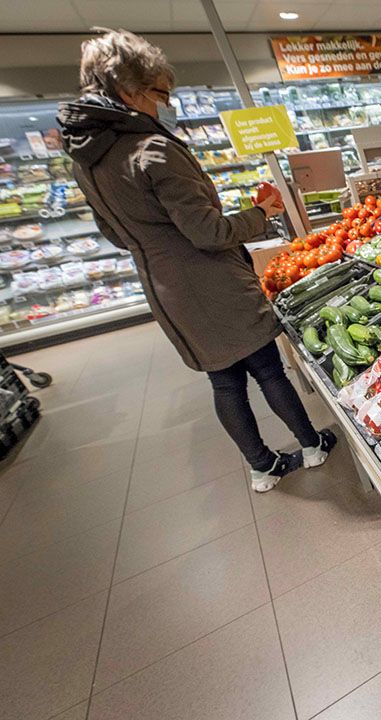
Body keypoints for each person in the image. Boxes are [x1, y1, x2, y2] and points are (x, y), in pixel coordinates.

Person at [58, 29, 335, 492]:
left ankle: (262, 467)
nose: (163, 106)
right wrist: (260, 214)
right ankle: (312, 446)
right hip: (215, 285)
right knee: (266, 369)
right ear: (130, 91)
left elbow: (113, 233)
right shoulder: (153, 150)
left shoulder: (85, 161)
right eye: (159, 94)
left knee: (224, 384)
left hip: (167, 292)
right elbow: (208, 233)